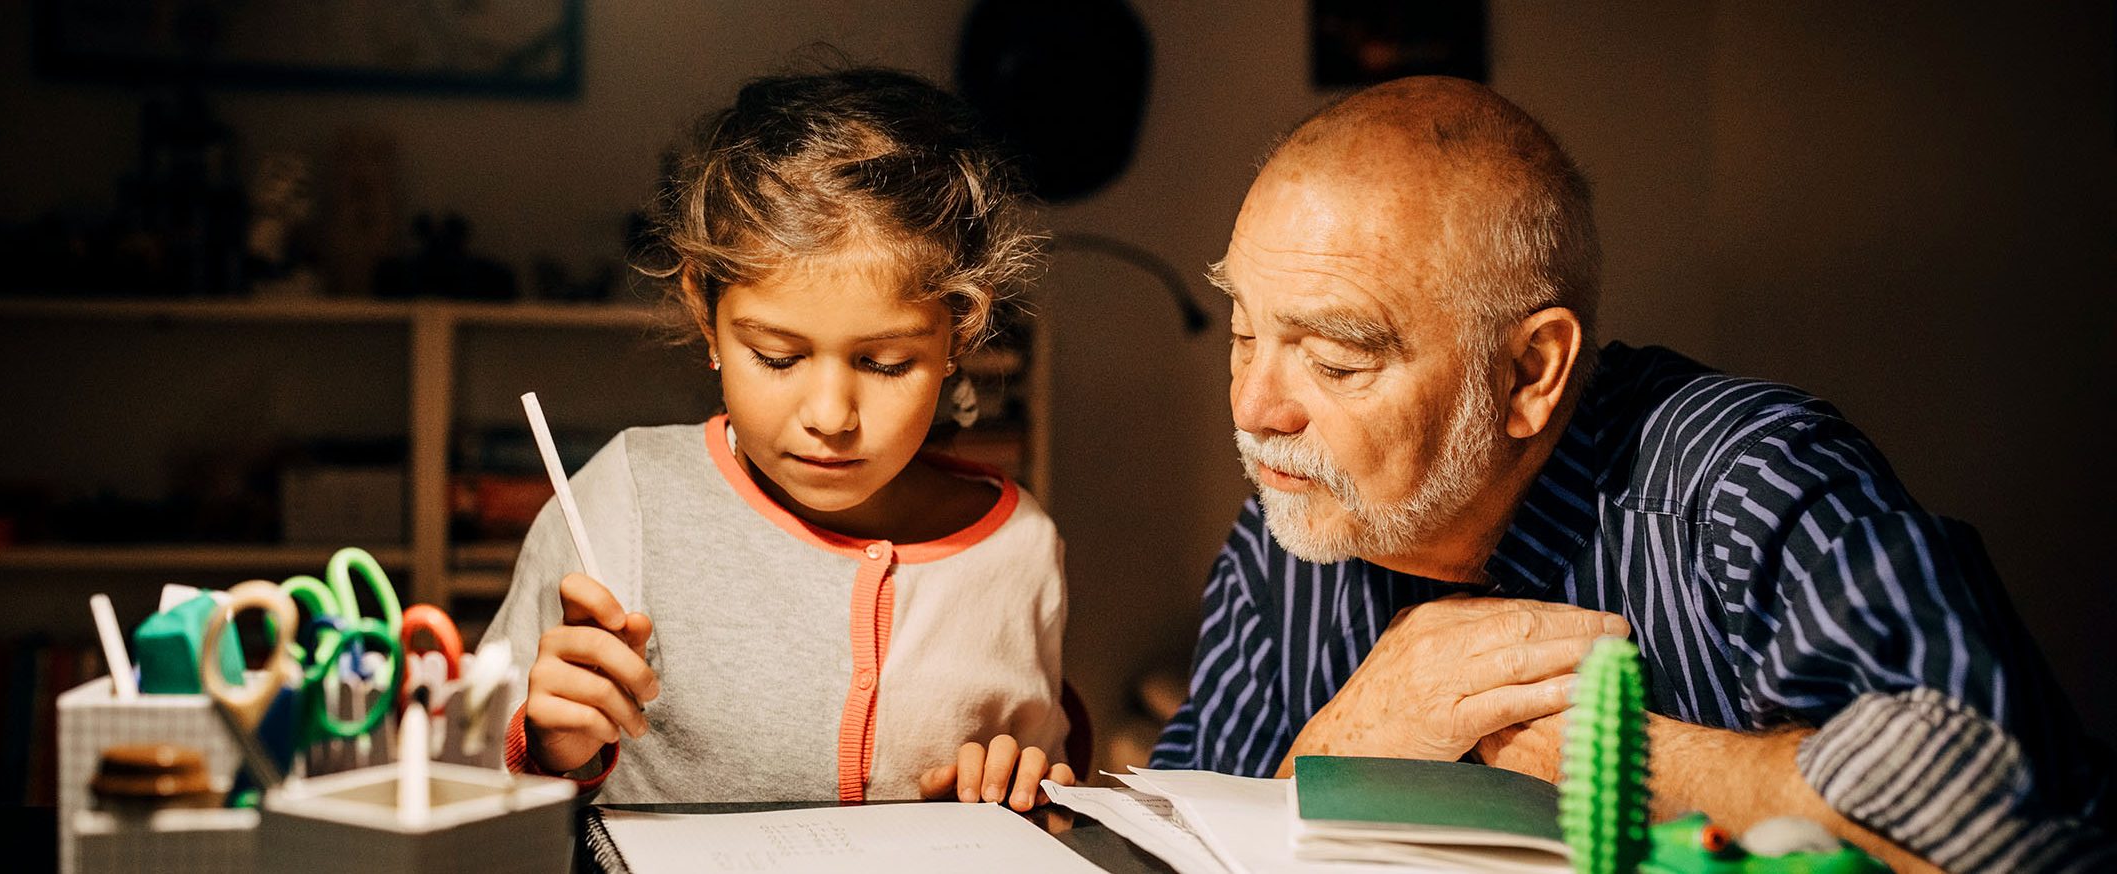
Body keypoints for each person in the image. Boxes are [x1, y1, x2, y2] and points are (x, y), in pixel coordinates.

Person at [1151, 76, 2113, 872]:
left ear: (1531, 373)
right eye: (1245, 337)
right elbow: (1169, 840)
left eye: (1336, 360)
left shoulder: (1749, 482)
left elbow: (2015, 826)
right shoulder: (1289, 536)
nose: (1254, 409)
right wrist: (1348, 744)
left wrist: (1598, 752)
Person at [485, 68, 1073, 809]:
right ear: (705, 310)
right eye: (778, 357)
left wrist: (1023, 788)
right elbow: (460, 778)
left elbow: (1049, 791)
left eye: (885, 363)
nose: (830, 415)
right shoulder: (624, 498)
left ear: (961, 330)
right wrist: (542, 747)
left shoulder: (1018, 549)